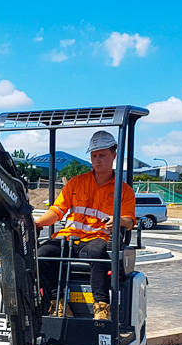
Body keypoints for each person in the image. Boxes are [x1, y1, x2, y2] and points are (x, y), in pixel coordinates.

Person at [33, 131, 135, 320]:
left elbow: (129, 221)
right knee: (42, 254)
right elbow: (57, 211)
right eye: (94, 155)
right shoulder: (75, 183)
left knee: (98, 254)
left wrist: (119, 220)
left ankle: (101, 307)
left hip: (98, 239)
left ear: (114, 154)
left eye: (102, 155)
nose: (97, 160)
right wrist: (37, 222)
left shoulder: (124, 190)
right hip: (69, 237)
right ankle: (58, 303)